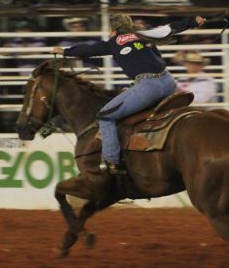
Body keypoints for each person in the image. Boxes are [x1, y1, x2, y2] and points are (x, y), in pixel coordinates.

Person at [53, 13, 206, 174]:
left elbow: (89, 50)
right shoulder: (143, 34)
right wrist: (193, 21)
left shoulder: (113, 43)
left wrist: (65, 51)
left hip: (148, 87)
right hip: (168, 82)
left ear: (112, 30)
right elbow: (169, 28)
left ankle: (112, 163)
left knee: (106, 116)